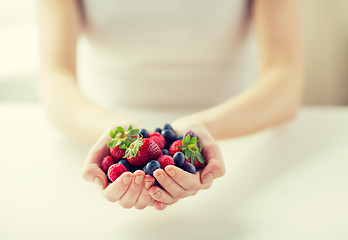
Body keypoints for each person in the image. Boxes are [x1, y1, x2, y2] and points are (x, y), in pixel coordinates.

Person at [37, 0, 304, 210]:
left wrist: (205, 127)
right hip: (97, 127)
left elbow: (285, 80)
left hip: (237, 130)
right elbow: (54, 79)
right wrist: (109, 128)